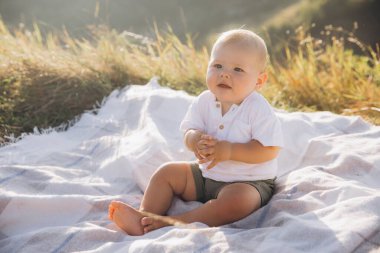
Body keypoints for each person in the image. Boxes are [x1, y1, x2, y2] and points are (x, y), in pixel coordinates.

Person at [108, 29, 284, 236]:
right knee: (167, 173)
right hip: (205, 175)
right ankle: (146, 217)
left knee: (238, 202)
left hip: (248, 182)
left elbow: (269, 150)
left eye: (238, 69)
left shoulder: (257, 109)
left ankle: (173, 222)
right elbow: (189, 131)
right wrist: (195, 140)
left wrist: (228, 152)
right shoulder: (204, 101)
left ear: (259, 81)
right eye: (218, 66)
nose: (225, 73)